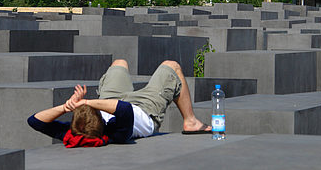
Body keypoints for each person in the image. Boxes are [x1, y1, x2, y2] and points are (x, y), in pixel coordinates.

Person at [27, 59, 211, 147]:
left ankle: (102, 97)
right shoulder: (118, 133)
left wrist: (65, 106)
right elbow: (124, 109)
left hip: (109, 103)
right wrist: (87, 102)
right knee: (172, 66)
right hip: (144, 110)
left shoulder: (74, 132)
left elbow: (34, 121)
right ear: (97, 115)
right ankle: (191, 122)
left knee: (119, 63)